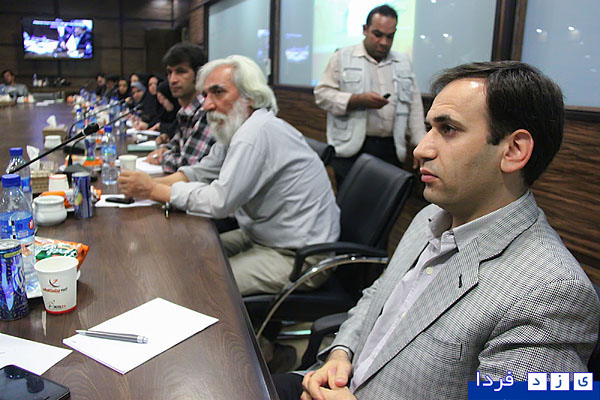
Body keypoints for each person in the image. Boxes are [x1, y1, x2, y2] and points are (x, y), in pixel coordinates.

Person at [276, 61, 600, 400]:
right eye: (430, 128)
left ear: (513, 150)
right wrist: (341, 353)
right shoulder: (430, 216)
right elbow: (380, 294)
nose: (421, 149)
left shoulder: (553, 291)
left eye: (448, 129)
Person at [118, 55, 340, 297]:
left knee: (200, 284)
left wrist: (152, 190)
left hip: (300, 256)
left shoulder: (255, 133)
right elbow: (199, 172)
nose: (207, 105)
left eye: (218, 93)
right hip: (263, 237)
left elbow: (219, 201)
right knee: (184, 254)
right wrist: (146, 184)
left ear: (250, 96)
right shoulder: (239, 128)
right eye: (205, 95)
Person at [314, 4, 425, 186]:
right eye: (377, 34)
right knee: (351, 201)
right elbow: (322, 95)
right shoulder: (342, 57)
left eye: (390, 37)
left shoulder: (403, 62)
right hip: (352, 148)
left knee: (387, 200)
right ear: (365, 29)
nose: (384, 42)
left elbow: (414, 106)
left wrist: (421, 143)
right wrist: (358, 100)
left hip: (391, 148)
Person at [143, 42, 214, 173]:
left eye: (181, 72)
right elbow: (175, 145)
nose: (172, 80)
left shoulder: (207, 111)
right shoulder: (185, 111)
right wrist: (165, 149)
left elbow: (188, 165)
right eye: (169, 73)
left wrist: (162, 156)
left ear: (199, 75)